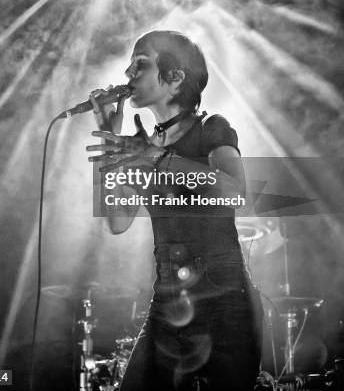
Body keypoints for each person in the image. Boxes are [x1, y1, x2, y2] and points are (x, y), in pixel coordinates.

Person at [86, 30, 263, 391]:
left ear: (176, 77)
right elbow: (117, 221)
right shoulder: (145, 147)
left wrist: (155, 157)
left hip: (223, 301)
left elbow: (233, 192)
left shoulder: (212, 128)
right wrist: (108, 138)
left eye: (141, 65)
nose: (128, 75)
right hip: (167, 300)